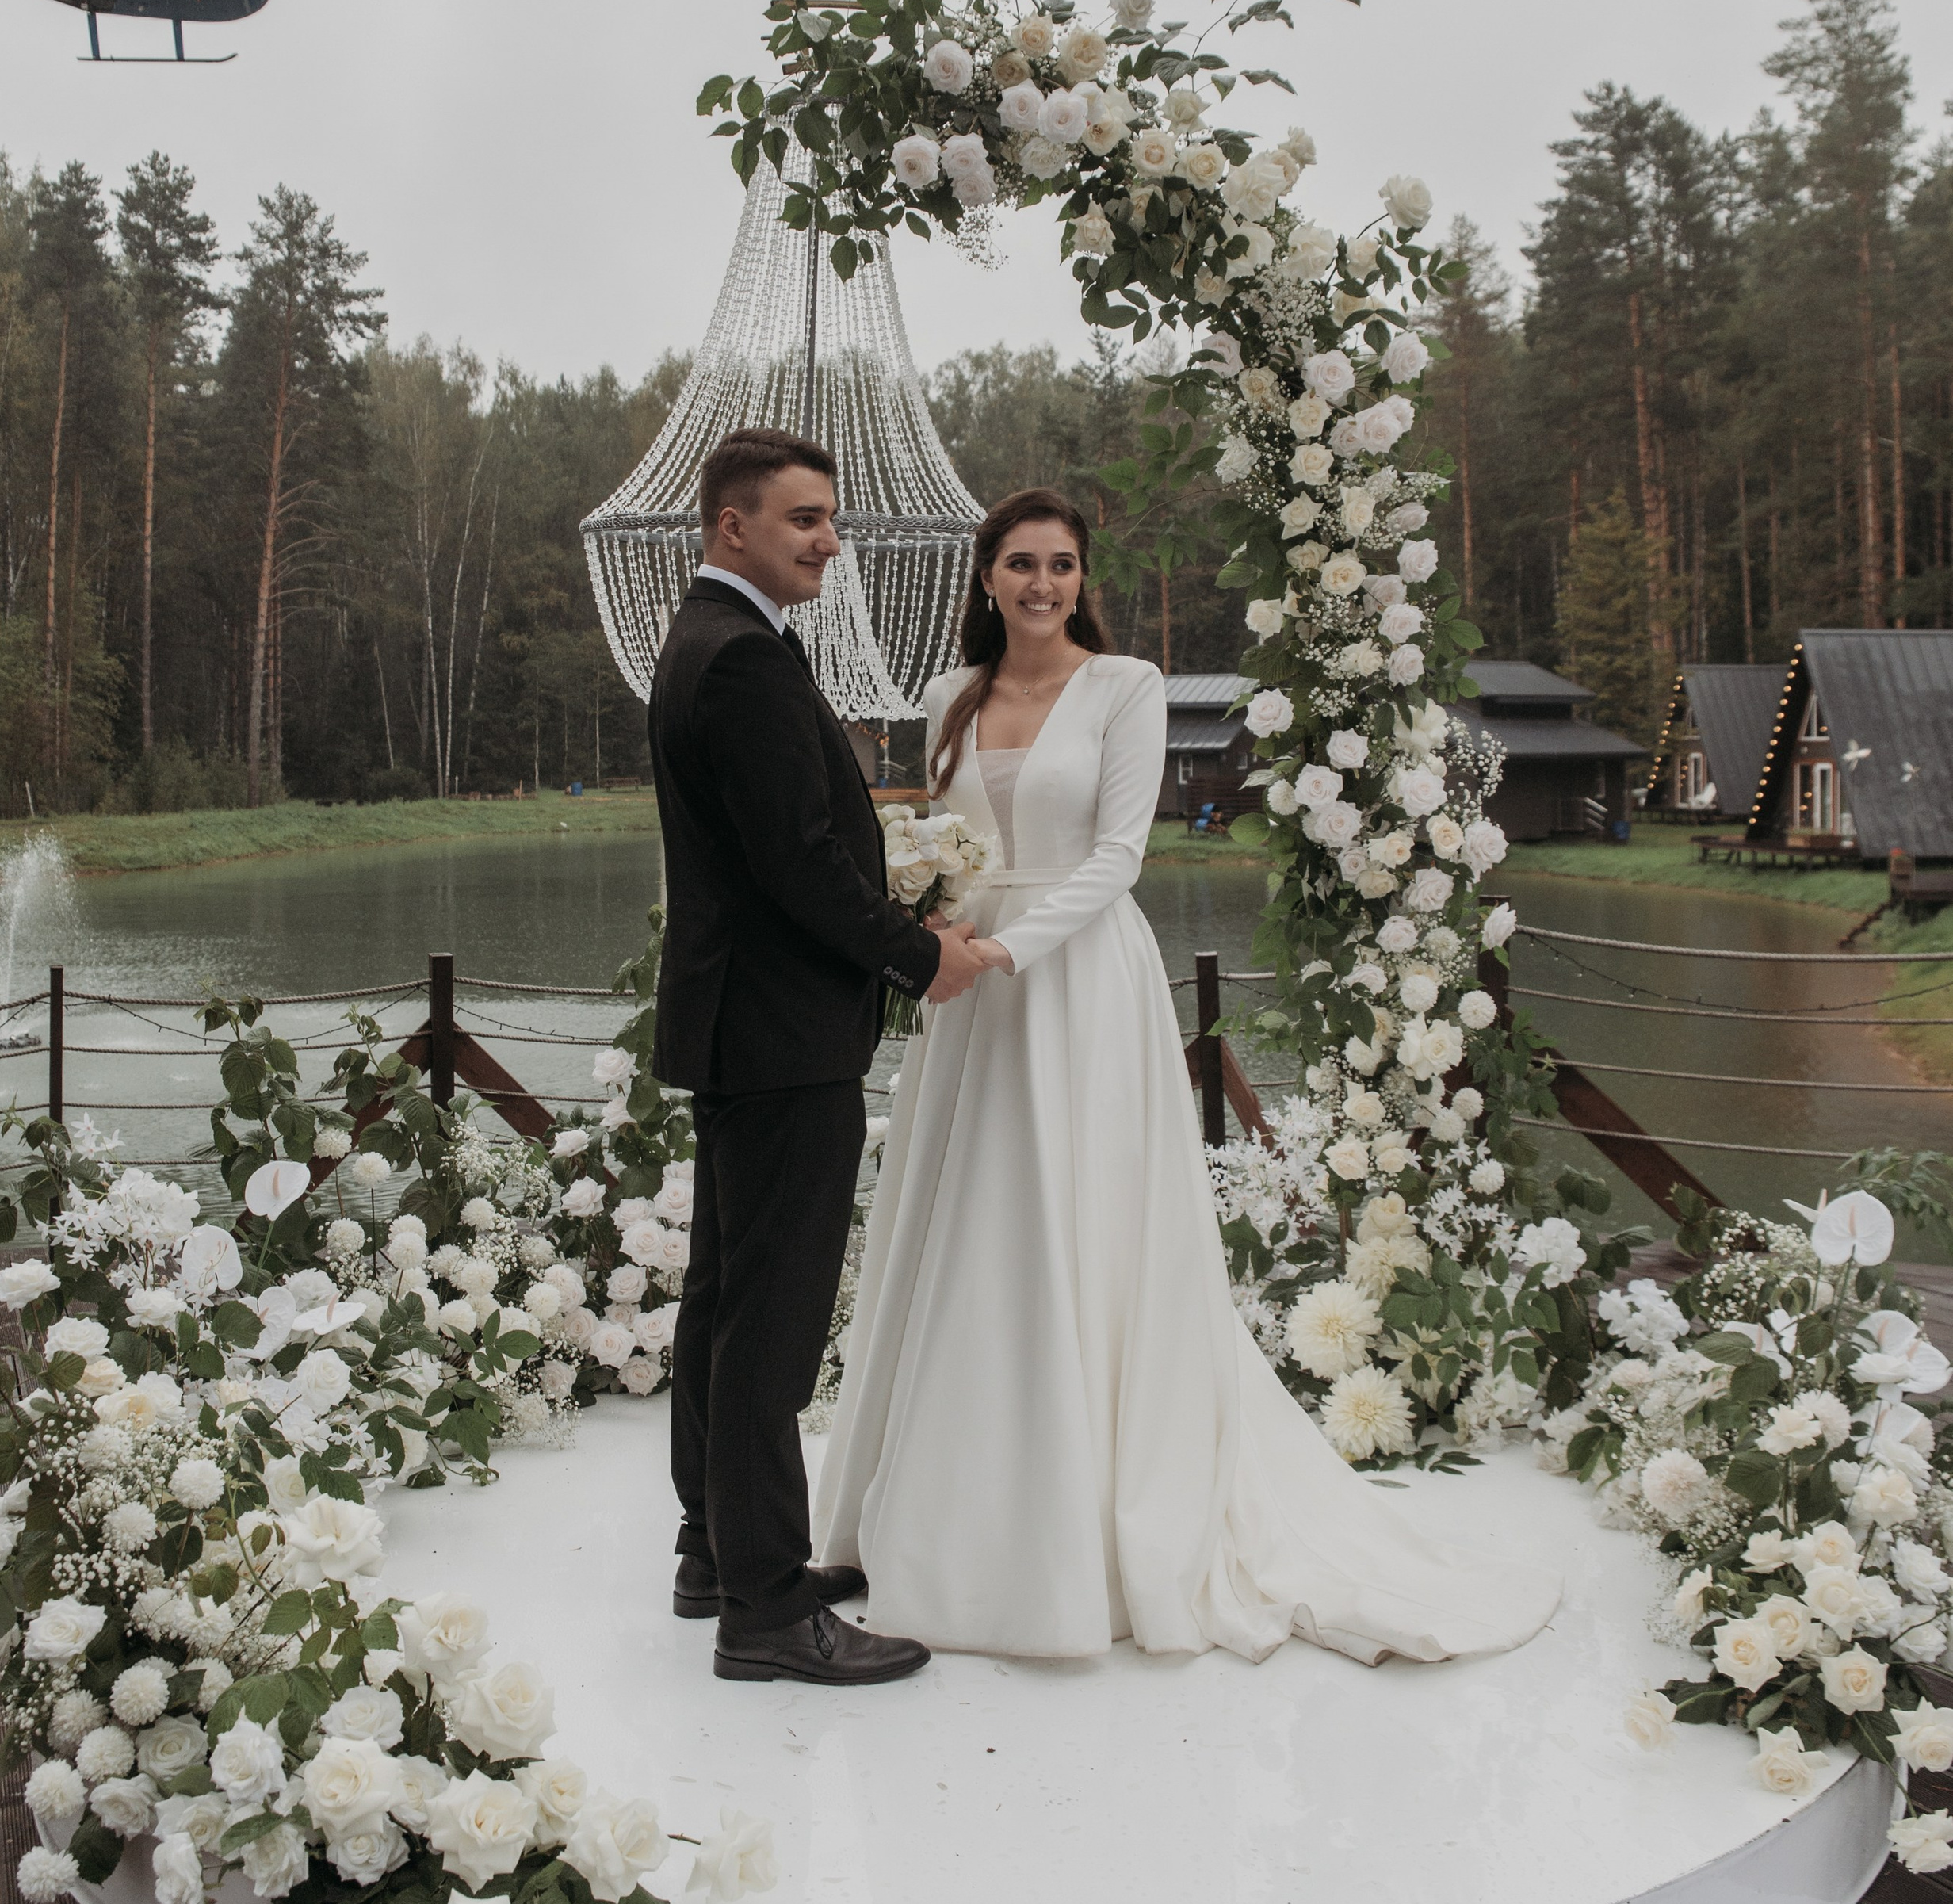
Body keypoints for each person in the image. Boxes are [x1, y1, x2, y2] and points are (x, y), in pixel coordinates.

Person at [816, 488, 1561, 1665]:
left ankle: (1089, 1510)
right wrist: (936, 930)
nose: (1042, 584)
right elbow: (942, 841)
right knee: (969, 1219)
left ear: (1083, 578)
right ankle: (933, 1504)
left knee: (1083, 1218)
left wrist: (1011, 945)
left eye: (1062, 564)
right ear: (987, 576)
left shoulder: (1127, 688)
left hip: (1071, 977)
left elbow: (1119, 853)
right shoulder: (947, 698)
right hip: (967, 990)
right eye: (1020, 563)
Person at [647, 427, 995, 1688]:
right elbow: (798, 865)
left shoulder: (718, 641)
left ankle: (714, 1548)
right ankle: (767, 1606)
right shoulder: (737, 659)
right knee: (771, 1323)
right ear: (731, 527)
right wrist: (917, 955)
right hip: (782, 1032)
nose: (830, 542)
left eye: (833, 521)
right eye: (804, 521)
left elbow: (788, 842)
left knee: (728, 1297)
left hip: (749, 1028)